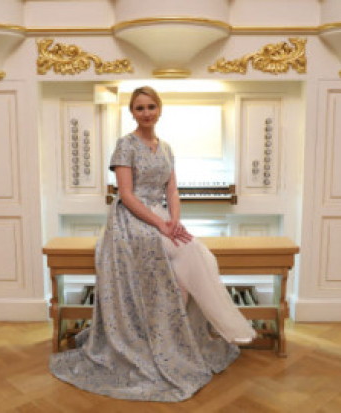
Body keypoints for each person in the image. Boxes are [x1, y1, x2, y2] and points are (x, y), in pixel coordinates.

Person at [49, 86, 256, 402]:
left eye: (151, 107)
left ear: (159, 110)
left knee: (198, 254)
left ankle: (175, 333)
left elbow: (172, 191)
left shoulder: (167, 148)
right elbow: (127, 195)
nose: (146, 113)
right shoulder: (125, 145)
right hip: (130, 217)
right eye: (139, 108)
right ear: (132, 112)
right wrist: (161, 225)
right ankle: (168, 334)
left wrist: (174, 221)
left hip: (161, 214)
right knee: (175, 252)